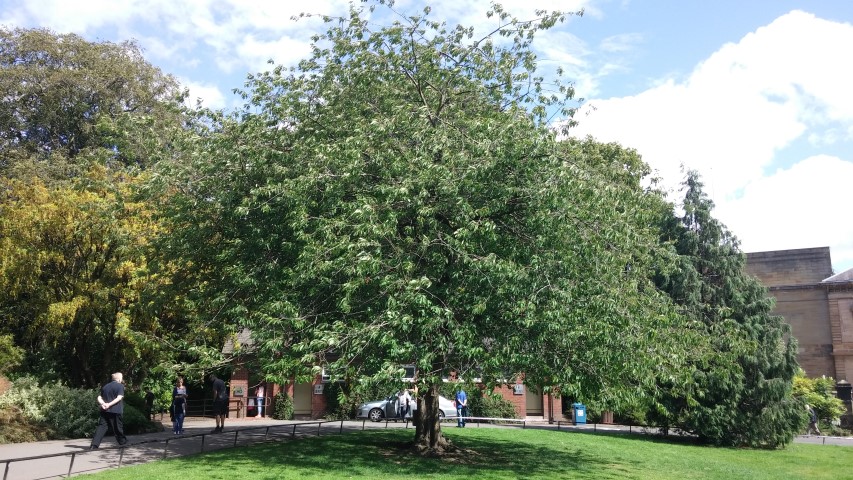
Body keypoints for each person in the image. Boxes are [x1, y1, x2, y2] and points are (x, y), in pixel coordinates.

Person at [90, 372, 127, 449]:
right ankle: (122, 442)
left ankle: (94, 445)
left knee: (101, 427)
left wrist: (103, 404)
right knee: (117, 428)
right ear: (119, 379)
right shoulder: (120, 386)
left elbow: (99, 397)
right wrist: (109, 404)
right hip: (116, 410)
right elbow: (119, 397)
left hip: (104, 410)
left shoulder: (105, 386)